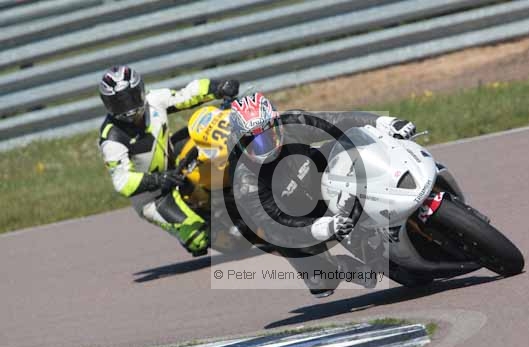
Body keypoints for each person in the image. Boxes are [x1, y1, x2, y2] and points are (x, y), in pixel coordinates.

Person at [228, 92, 416, 297]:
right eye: (253, 142)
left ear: (277, 124)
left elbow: (337, 120)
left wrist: (382, 122)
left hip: (317, 174)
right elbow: (272, 223)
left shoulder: (293, 123)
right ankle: (342, 268)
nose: (263, 147)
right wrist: (317, 228)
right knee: (321, 283)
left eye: (267, 136)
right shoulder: (244, 182)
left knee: (356, 143)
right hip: (295, 216)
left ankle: (405, 180)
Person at [98, 64, 239, 255]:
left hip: (175, 161)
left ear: (140, 91)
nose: (128, 108)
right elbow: (122, 182)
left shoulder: (154, 100)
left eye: (131, 98)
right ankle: (212, 222)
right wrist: (159, 179)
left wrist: (218, 87)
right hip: (153, 196)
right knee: (199, 239)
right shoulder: (111, 138)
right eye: (119, 103)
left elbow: (187, 94)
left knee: (214, 138)